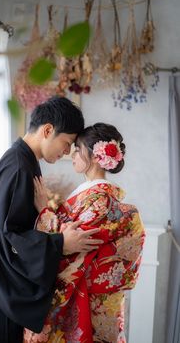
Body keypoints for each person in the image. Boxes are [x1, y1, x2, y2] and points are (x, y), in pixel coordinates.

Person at [0, 97, 102, 343]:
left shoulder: (21, 161)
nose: (67, 151)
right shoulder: (19, 168)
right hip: (2, 294)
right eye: (66, 143)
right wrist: (60, 243)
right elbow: (9, 238)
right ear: (48, 130)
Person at [24, 123, 146, 343]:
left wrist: (44, 211)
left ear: (95, 156)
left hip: (91, 302)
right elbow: (67, 233)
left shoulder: (101, 201)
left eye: (77, 148)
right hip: (92, 297)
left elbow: (69, 243)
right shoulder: (93, 196)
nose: (72, 154)